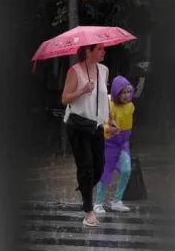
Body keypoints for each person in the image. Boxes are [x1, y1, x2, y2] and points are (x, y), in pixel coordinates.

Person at [62, 44, 116, 227]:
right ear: (88, 51)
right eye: (100, 49)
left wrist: (111, 119)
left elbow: (104, 96)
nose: (104, 52)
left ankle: (84, 186)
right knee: (86, 167)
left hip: (97, 125)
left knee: (99, 168)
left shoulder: (104, 70)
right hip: (78, 125)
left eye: (103, 49)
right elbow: (65, 98)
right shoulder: (75, 71)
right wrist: (82, 90)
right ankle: (88, 211)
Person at [94, 76, 134, 214]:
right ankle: (98, 203)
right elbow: (100, 123)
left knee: (127, 170)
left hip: (123, 143)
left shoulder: (131, 106)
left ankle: (117, 201)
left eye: (129, 92)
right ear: (116, 92)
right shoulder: (108, 103)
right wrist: (108, 129)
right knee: (106, 173)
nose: (126, 95)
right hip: (108, 144)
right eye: (123, 92)